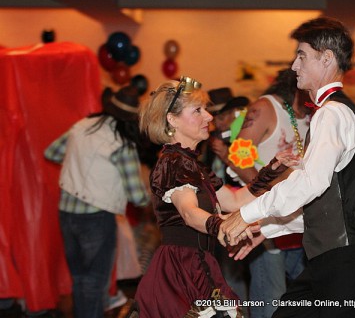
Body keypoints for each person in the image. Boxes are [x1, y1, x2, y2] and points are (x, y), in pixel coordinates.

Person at [218, 17, 355, 318]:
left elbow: (312, 184)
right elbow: (328, 201)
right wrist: (268, 228)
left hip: (346, 259)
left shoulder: (331, 112)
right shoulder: (321, 110)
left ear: (327, 59)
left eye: (301, 56)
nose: (294, 66)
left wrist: (249, 214)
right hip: (335, 255)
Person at [134, 76, 297, 317]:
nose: (209, 117)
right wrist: (226, 226)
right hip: (182, 269)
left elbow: (235, 201)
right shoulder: (173, 163)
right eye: (198, 111)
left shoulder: (191, 164)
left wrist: (271, 170)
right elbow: (189, 213)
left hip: (198, 262)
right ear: (172, 120)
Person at [44, 86, 150, 318]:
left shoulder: (82, 127)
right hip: (97, 218)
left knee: (80, 279)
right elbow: (137, 196)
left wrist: (78, 160)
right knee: (95, 282)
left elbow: (51, 152)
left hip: (67, 213)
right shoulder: (122, 143)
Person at [211, 68, 310, 317]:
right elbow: (237, 156)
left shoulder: (311, 112)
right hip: (267, 221)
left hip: (299, 222)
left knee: (307, 295)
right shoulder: (266, 108)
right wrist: (268, 193)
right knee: (271, 300)